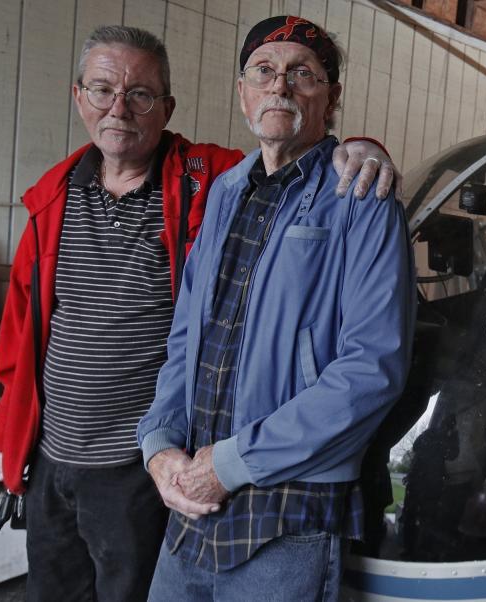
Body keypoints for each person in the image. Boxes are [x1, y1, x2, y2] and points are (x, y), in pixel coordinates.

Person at [0, 24, 399, 602]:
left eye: (302, 73)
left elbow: (371, 367)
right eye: (102, 90)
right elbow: (37, 332)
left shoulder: (203, 181)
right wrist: (19, 430)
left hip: (241, 491)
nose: (120, 109)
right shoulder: (61, 195)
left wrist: (366, 145)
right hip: (128, 471)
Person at [137, 16, 416, 601]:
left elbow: (372, 369)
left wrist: (233, 464)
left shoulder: (361, 199)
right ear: (243, 91)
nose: (280, 86)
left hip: (289, 508)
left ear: (331, 98)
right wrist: (160, 443)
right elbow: (187, 335)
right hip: (193, 500)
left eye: (303, 74)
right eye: (264, 71)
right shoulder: (225, 191)